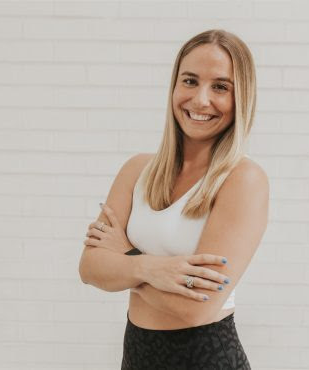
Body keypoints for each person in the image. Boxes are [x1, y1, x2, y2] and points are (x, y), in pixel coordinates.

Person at [79, 29, 269, 370]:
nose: (200, 100)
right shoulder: (137, 170)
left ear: (241, 97)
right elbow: (90, 269)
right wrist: (151, 268)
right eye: (190, 81)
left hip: (205, 357)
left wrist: (124, 258)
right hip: (137, 354)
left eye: (220, 87)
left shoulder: (242, 180)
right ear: (174, 86)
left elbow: (198, 308)